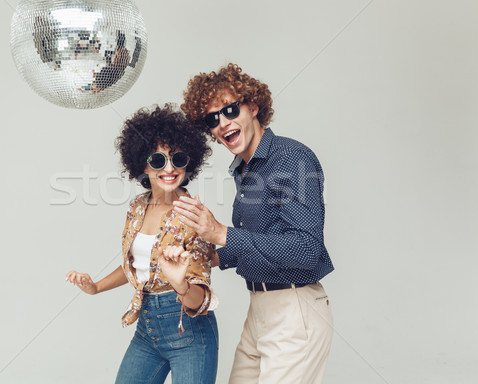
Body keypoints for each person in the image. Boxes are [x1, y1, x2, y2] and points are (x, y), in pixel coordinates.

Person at [175, 63, 334, 383]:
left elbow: (306, 249)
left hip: (295, 309)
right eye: (212, 118)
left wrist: (220, 233)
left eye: (230, 109)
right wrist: (206, 255)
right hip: (259, 310)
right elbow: (259, 238)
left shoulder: (291, 158)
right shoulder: (244, 169)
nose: (222, 122)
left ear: (253, 106)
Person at [66, 104, 218, 384]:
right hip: (147, 329)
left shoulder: (194, 217)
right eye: (158, 160)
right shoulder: (137, 207)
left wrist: (181, 284)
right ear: (142, 164)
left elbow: (200, 300)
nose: (170, 168)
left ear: (190, 162)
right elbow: (136, 266)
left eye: (178, 158)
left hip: (189, 329)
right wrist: (96, 286)